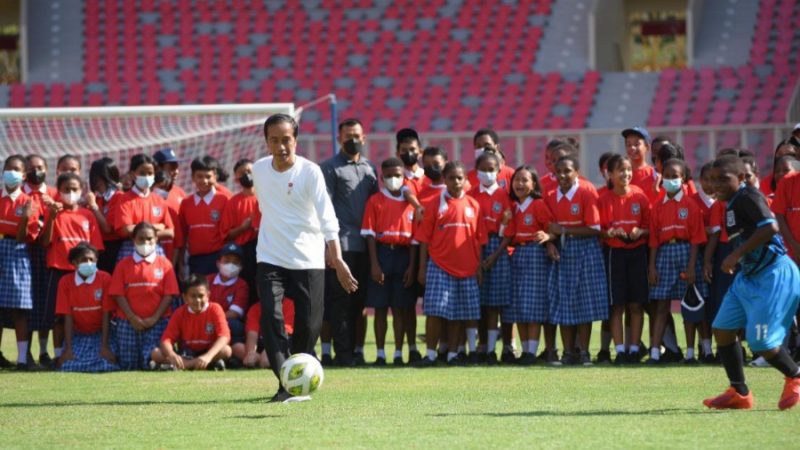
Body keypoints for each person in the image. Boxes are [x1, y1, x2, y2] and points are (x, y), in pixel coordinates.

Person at [253, 113, 357, 403]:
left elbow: (327, 217)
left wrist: (337, 259)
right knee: (271, 316)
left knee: (310, 325)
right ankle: (286, 382)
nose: (281, 146)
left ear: (296, 141)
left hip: (308, 258)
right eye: (274, 140)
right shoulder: (259, 170)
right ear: (267, 142)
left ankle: (296, 377)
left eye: (286, 140)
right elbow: (266, 207)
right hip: (270, 255)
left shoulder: (310, 172)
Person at [703, 155, 800, 411]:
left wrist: (735, 255)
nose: (716, 185)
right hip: (748, 277)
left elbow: (770, 227)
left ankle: (795, 376)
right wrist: (739, 258)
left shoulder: (748, 196)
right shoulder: (730, 204)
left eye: (723, 179)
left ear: (741, 178)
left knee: (761, 344)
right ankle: (739, 392)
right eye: (712, 179)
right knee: (722, 329)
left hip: (773, 275)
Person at [414, 161, 487, 367]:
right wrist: (422, 267)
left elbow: (480, 240)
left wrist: (479, 267)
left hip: (467, 268)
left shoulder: (473, 205)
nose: (456, 181)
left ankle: (453, 355)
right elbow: (424, 239)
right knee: (435, 312)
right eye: (451, 178)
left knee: (459, 313)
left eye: (459, 178)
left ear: (466, 180)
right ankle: (430, 355)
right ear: (444, 180)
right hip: (439, 266)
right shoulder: (433, 204)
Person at [320, 118, 378, 366]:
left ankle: (357, 352)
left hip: (366, 246)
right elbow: (323, 208)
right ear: (339, 139)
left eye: (356, 135)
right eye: (348, 136)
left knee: (359, 303)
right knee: (340, 302)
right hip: (341, 246)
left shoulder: (370, 168)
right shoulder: (329, 168)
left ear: (363, 138)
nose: (352, 140)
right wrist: (328, 247)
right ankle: (342, 354)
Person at [546, 155, 608, 366]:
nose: (562, 175)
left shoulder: (586, 192)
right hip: (562, 252)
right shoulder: (550, 195)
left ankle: (584, 352)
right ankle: (567, 352)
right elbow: (548, 228)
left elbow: (594, 228)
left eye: (567, 171)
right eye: (558, 171)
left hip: (585, 250)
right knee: (564, 302)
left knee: (584, 302)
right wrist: (550, 243)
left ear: (576, 172)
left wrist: (564, 230)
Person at [40, 173, 105, 365]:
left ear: (81, 190)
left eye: (74, 189)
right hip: (59, 270)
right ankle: (58, 355)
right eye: (66, 189)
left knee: (82, 314)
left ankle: (84, 350)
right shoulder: (54, 213)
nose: (70, 193)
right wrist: (52, 218)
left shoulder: (88, 215)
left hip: (85, 272)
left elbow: (96, 247)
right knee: (58, 317)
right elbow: (45, 242)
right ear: (59, 191)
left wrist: (89, 266)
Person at [647, 159, 706, 364]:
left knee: (690, 305)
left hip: (686, 252)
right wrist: (651, 266)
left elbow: (697, 238)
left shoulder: (691, 205)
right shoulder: (657, 206)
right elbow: (654, 239)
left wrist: (691, 266)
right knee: (661, 306)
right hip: (664, 253)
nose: (670, 180)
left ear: (683, 179)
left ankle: (691, 353)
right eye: (667, 176)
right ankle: (655, 352)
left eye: (675, 176)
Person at [361, 157, 418, 366]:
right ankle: (380, 354)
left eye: (397, 175)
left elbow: (415, 240)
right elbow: (369, 235)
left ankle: (398, 353)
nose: (393, 179)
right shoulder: (375, 201)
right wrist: (375, 264)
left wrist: (412, 266)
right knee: (380, 308)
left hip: (403, 255)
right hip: (382, 254)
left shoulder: (410, 202)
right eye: (389, 176)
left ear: (404, 176)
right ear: (382, 178)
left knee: (400, 308)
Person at [598, 154, 651, 365]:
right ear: (610, 174)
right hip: (614, 254)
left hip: (638, 253)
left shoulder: (640, 196)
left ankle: (634, 349)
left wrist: (640, 231)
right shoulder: (603, 199)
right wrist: (610, 232)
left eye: (628, 169)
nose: (626, 174)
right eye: (621, 170)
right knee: (617, 305)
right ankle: (619, 351)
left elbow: (650, 227)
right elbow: (598, 230)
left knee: (636, 305)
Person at [109, 222, 179, 370]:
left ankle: (162, 364)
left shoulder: (165, 264)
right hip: (128, 323)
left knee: (153, 355)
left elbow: (169, 295)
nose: (145, 243)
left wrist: (154, 318)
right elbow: (118, 294)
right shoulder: (123, 264)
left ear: (156, 239)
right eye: (141, 239)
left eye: (149, 239)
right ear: (133, 240)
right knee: (128, 365)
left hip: (158, 322)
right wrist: (132, 317)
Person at [504, 165, 555, 365]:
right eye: (516, 180)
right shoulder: (513, 206)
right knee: (519, 305)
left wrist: (549, 240)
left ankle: (532, 352)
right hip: (517, 254)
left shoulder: (538, 204)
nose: (520, 184)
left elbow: (550, 229)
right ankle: (525, 351)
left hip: (535, 253)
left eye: (525, 180)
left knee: (533, 304)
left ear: (533, 184)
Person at [469, 152, 513, 364]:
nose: (487, 173)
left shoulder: (504, 195)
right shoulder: (471, 195)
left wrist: (495, 256)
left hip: (498, 248)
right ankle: (482, 345)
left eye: (491, 169)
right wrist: (478, 259)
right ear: (476, 171)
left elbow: (509, 230)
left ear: (498, 170)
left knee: (496, 302)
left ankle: (495, 349)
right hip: (475, 247)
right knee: (479, 302)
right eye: (483, 169)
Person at [0, 155, 39, 369]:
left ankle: (22, 359)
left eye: (16, 169)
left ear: (24, 175)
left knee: (19, 308)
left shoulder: (28, 202)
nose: (11, 172)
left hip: (17, 253)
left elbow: (23, 237)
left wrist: (24, 218)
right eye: (8, 168)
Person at [55, 242, 118, 372]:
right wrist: (68, 349)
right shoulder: (65, 282)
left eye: (91, 259)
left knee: (107, 364)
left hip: (101, 335)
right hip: (78, 335)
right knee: (68, 366)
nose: (88, 263)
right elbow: (67, 317)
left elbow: (106, 314)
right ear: (75, 263)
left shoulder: (105, 278)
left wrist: (104, 347)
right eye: (84, 260)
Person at [151, 274, 231, 371]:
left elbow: (224, 336)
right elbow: (166, 340)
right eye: (193, 296)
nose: (197, 300)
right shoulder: (179, 313)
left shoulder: (215, 309)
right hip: (186, 354)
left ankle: (185, 366)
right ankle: (202, 365)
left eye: (201, 296)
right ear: (185, 298)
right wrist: (172, 354)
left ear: (208, 295)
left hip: (208, 352)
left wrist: (208, 356)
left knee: (226, 350)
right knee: (156, 353)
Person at [22, 154, 57, 367]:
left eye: (40, 167)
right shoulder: (20, 194)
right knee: (26, 303)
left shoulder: (53, 194)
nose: (36, 171)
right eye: (32, 167)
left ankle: (44, 352)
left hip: (48, 253)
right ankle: (25, 351)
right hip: (24, 252)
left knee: (44, 302)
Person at [112, 154, 174, 261]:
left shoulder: (159, 200)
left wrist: (138, 230)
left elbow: (170, 232)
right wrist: (158, 226)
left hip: (155, 250)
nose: (146, 177)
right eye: (142, 173)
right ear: (132, 174)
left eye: (150, 173)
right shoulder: (124, 200)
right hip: (131, 250)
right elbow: (126, 230)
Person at [177, 156, 228, 276]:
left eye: (208, 176)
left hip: (218, 258)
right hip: (195, 260)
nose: (204, 181)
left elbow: (228, 233)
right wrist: (181, 261)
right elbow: (183, 235)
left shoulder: (224, 200)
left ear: (215, 176)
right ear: (192, 177)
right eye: (199, 176)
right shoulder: (186, 203)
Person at [219, 158, 260, 305]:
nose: (247, 175)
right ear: (236, 178)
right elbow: (226, 234)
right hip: (244, 252)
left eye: (249, 171)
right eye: (242, 173)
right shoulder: (233, 202)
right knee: (247, 289)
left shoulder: (266, 197)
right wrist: (243, 227)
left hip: (266, 249)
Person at [206, 243, 249, 345]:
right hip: (204, 319)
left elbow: (234, 313)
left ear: (241, 267)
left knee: (235, 326)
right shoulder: (207, 280)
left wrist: (213, 321)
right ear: (218, 263)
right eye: (227, 261)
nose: (231, 265)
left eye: (235, 262)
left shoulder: (242, 285)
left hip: (225, 321)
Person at [233, 298, 295, 369]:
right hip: (261, 342)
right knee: (237, 347)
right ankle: (259, 358)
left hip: (280, 340)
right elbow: (252, 333)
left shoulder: (289, 304)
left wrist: (270, 349)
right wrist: (251, 353)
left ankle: (262, 359)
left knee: (266, 360)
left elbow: (285, 331)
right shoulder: (255, 308)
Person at [89, 157, 124, 273]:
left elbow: (108, 228)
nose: (97, 182)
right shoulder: (97, 198)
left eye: (100, 177)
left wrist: (93, 206)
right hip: (98, 247)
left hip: (113, 247)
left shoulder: (119, 197)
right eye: (94, 177)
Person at [622, 127, 659, 204]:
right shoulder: (622, 174)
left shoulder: (655, 174)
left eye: (637, 144)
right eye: (628, 145)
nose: (632, 147)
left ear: (647, 147)